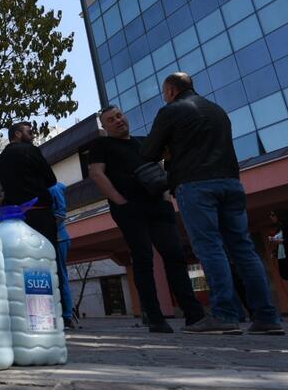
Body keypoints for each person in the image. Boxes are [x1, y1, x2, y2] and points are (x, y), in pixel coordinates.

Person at [142, 72, 283, 335]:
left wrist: (168, 151)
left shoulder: (170, 111)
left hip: (195, 184)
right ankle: (266, 316)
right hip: (230, 182)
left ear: (171, 90)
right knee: (243, 248)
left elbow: (148, 152)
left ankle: (225, 315)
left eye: (164, 92)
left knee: (210, 248)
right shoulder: (218, 111)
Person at [88, 106, 206, 333]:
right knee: (143, 259)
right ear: (104, 126)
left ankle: (194, 314)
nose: (117, 121)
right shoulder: (101, 145)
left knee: (175, 255)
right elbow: (96, 173)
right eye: (111, 120)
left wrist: (165, 197)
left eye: (119, 116)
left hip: (158, 206)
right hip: (129, 209)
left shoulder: (145, 142)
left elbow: (161, 168)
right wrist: (120, 201)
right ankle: (154, 317)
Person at [0, 122, 58, 249]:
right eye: (29, 132)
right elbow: (51, 179)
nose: (33, 135)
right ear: (18, 134)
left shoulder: (0, 159)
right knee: (48, 251)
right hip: (39, 211)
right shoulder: (30, 150)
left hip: (13, 216)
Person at [47, 182, 76, 329]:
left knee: (61, 276)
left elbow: (60, 213)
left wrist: (48, 229)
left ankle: (67, 316)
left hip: (59, 238)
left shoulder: (53, 187)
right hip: (55, 238)